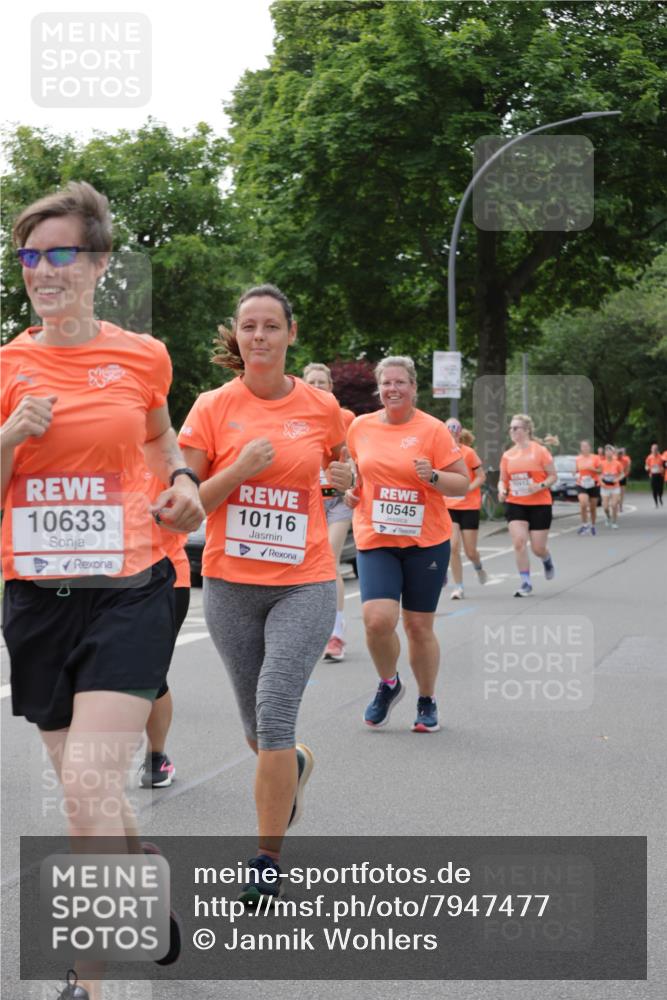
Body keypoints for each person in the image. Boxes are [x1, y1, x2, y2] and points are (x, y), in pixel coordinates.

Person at [1, 181, 204, 1000]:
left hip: (129, 588)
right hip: (37, 600)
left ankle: (87, 981)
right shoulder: (7, 366)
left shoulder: (141, 356)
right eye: (29, 256)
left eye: (61, 255)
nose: (43, 271)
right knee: (98, 795)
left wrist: (183, 479)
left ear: (99, 263)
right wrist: (10, 437)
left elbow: (159, 436)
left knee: (84, 792)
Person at [178, 284, 352, 905]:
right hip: (230, 584)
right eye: (249, 326)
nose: (259, 336)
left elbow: (340, 467)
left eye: (271, 326)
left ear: (290, 334)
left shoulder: (323, 407)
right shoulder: (210, 408)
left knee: (275, 714)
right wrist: (241, 469)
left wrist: (345, 478)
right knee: (259, 734)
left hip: (303, 580)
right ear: (237, 333)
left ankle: (266, 859)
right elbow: (186, 505)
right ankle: (294, 764)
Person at [344, 356, 468, 734]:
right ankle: (388, 683)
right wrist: (350, 492)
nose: (393, 389)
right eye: (386, 383)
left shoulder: (432, 430)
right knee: (377, 620)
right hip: (376, 537)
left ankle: (426, 698)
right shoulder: (360, 427)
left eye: (400, 382)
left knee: (417, 626)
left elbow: (460, 483)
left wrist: (431, 476)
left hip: (425, 540)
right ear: (378, 389)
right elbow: (355, 474)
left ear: (414, 388)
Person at [140, 473, 191, 788]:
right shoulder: (91, 452)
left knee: (149, 670)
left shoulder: (167, 458)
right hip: (98, 579)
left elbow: (188, 520)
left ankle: (156, 755)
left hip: (165, 577)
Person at [302, 362, 355, 660]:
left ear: (331, 387)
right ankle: (310, 629)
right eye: (313, 382)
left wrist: (350, 482)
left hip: (336, 502)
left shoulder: (344, 417)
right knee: (304, 568)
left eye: (323, 382)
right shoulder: (295, 415)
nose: (318, 386)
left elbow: (356, 458)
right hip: (307, 503)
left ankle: (336, 633)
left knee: (329, 562)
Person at [498, 414, 557, 597]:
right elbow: (502, 480)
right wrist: (501, 490)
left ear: (527, 430)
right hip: (516, 503)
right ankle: (525, 582)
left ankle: (546, 559)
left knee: (537, 548)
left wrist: (538, 486)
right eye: (511, 428)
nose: (513, 431)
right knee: (519, 542)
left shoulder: (540, 451)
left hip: (540, 503)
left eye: (516, 428)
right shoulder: (508, 455)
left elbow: (553, 476)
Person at [443, 420, 487, 599]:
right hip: (448, 506)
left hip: (469, 506)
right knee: (453, 547)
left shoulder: (468, 453)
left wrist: (468, 487)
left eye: (455, 430)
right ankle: (458, 587)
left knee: (470, 551)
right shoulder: (440, 452)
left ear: (460, 433)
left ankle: (478, 566)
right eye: (449, 430)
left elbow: (481, 476)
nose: (452, 433)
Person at [575, 439, 602, 535]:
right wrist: (576, 474)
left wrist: (593, 469)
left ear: (590, 447)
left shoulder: (596, 458)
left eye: (586, 446)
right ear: (581, 448)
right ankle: (584, 525)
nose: (585, 448)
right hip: (581, 484)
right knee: (583, 504)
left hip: (593, 484)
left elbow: (600, 471)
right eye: (583, 446)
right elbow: (575, 471)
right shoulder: (578, 459)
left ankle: (593, 525)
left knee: (593, 508)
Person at [600, 445, 624, 528]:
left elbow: (622, 474)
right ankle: (607, 516)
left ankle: (614, 522)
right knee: (605, 507)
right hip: (605, 487)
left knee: (614, 505)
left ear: (613, 453)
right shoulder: (602, 463)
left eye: (610, 451)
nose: (608, 453)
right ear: (605, 453)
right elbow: (598, 475)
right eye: (606, 451)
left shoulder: (617, 463)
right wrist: (601, 481)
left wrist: (617, 479)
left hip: (615, 487)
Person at [645, 443, 665, 508]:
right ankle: (656, 503)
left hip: (660, 475)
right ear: (651, 450)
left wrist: (662, 468)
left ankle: (660, 497)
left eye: (655, 449)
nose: (654, 450)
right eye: (653, 449)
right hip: (653, 475)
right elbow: (646, 465)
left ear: (657, 450)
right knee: (654, 489)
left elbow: (664, 465)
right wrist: (647, 468)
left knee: (660, 489)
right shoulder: (649, 457)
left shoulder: (661, 457)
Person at [617, 447, 631, 512]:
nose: (620, 455)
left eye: (621, 454)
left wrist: (625, 475)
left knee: (622, 493)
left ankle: (620, 506)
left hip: (623, 477)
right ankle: (617, 505)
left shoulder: (625, 460)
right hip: (616, 478)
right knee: (617, 492)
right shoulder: (615, 460)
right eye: (618, 454)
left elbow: (627, 469)